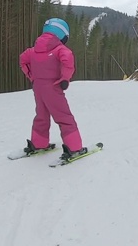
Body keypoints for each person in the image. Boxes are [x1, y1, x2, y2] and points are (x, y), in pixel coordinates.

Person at [19, 18, 87, 160]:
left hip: (38, 89)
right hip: (53, 88)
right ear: (62, 34)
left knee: (41, 116)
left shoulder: (33, 50)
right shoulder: (59, 49)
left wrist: (31, 76)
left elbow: (22, 59)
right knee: (64, 117)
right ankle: (74, 148)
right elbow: (67, 58)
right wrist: (64, 79)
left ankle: (38, 143)